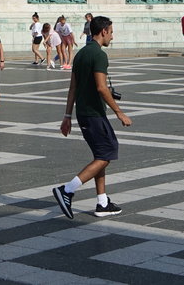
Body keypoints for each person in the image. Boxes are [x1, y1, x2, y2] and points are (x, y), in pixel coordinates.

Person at [52, 15, 132, 220]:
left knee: (100, 155)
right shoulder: (99, 55)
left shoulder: (81, 54)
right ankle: (67, 190)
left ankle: (102, 202)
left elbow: (72, 88)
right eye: (111, 32)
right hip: (94, 113)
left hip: (83, 113)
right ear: (103, 31)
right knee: (107, 153)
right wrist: (119, 112)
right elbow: (101, 88)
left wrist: (67, 115)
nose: (112, 37)